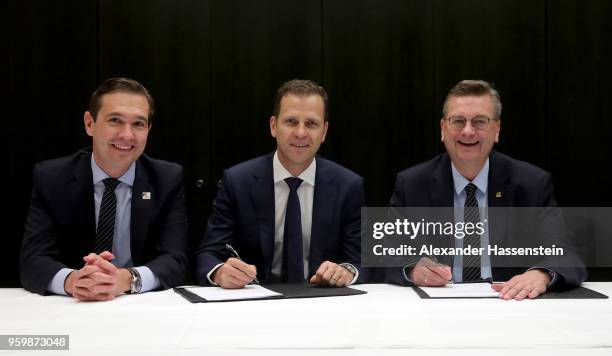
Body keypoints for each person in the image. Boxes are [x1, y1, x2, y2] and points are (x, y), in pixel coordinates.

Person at [387, 79, 586, 300]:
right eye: (458, 121)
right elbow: (386, 254)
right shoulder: (413, 184)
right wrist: (414, 270)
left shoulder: (531, 184)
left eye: (480, 121)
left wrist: (542, 274)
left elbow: (567, 255)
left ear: (497, 129)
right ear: (443, 129)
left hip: (511, 304)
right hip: (438, 307)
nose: (468, 131)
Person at [20, 78, 188, 301]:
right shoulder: (52, 178)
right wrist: (74, 281)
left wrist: (126, 279)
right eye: (115, 120)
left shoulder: (166, 179)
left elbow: (175, 260)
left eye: (138, 124)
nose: (127, 135)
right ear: (90, 124)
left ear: (148, 129)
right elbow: (33, 260)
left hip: (138, 305)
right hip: (73, 306)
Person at [195, 79, 364, 288]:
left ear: (324, 132)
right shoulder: (238, 181)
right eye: (291, 121)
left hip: (322, 303)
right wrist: (220, 271)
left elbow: (360, 259)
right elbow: (208, 254)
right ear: (273, 126)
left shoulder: (348, 185)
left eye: (311, 123)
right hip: (254, 302)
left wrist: (346, 271)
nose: (301, 132)